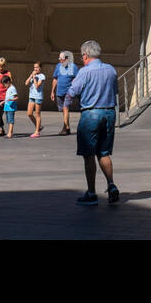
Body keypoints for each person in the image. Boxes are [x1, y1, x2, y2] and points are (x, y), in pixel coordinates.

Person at [64, 39, 119, 205]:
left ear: (85, 55)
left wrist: (66, 105)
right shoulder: (111, 70)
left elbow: (72, 92)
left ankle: (91, 192)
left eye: (82, 57)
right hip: (109, 112)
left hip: (91, 114)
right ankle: (111, 185)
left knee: (88, 154)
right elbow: (115, 91)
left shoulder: (84, 72)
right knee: (104, 153)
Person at [52, 50, 78, 136]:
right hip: (59, 92)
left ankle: (65, 128)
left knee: (65, 108)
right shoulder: (58, 66)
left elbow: (76, 79)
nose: (60, 60)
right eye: (59, 58)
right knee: (63, 110)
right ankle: (67, 127)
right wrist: (52, 91)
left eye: (61, 58)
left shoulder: (73, 67)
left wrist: (73, 89)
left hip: (69, 92)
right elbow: (55, 79)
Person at [25, 62, 46, 137]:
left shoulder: (42, 76)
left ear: (40, 68)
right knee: (29, 113)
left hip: (38, 97)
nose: (35, 69)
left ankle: (37, 132)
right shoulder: (33, 75)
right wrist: (31, 75)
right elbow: (26, 83)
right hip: (31, 96)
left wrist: (34, 77)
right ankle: (39, 126)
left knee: (37, 114)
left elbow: (37, 86)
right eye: (34, 67)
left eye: (37, 67)